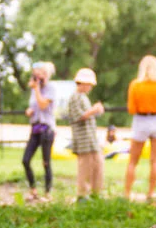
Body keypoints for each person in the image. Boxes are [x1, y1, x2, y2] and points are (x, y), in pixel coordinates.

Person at [124, 55, 156, 201]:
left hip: (141, 120)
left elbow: (131, 109)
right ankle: (150, 193)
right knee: (155, 160)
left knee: (133, 160)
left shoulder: (135, 85)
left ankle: (127, 193)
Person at [64, 68, 105, 202]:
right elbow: (78, 116)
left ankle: (96, 192)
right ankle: (82, 194)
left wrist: (96, 111)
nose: (90, 87)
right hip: (83, 138)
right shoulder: (75, 97)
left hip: (91, 138)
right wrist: (94, 110)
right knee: (85, 166)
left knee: (97, 163)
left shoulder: (84, 97)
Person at [23, 61, 57, 201]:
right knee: (25, 160)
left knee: (46, 162)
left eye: (41, 74)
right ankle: (33, 190)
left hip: (46, 130)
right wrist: (29, 111)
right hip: (35, 128)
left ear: (46, 75)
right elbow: (34, 106)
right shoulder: (34, 90)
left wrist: (36, 88)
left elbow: (43, 104)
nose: (37, 77)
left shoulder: (51, 88)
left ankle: (48, 193)